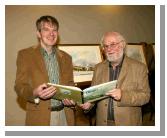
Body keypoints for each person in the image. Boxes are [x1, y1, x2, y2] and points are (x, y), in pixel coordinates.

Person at [14, 15, 75, 126]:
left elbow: (70, 84)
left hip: (65, 115)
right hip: (40, 117)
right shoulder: (25, 55)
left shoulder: (67, 57)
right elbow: (19, 86)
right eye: (46, 29)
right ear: (38, 33)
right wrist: (34, 92)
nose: (51, 34)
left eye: (54, 30)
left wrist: (72, 98)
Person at [80, 32, 150, 126]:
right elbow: (94, 94)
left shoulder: (139, 67)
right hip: (102, 123)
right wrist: (88, 104)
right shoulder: (98, 68)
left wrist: (123, 95)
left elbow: (145, 97)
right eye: (106, 46)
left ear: (122, 44)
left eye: (113, 44)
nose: (109, 49)